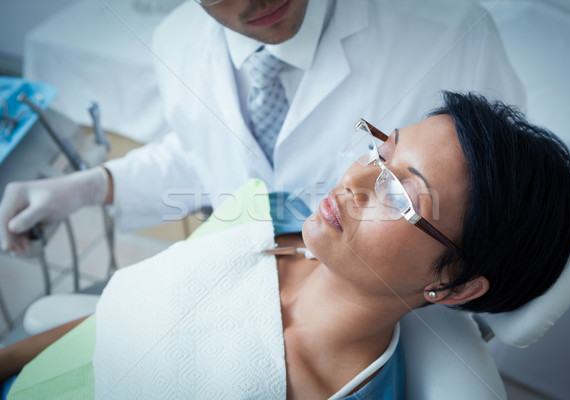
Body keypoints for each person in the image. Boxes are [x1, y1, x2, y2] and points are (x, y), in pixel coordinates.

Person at [0, 92, 570, 399]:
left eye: (401, 195)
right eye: (380, 152)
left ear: (454, 285)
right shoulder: (271, 211)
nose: (354, 181)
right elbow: (115, 319)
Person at [0, 0, 534, 255]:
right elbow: (208, 157)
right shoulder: (175, 40)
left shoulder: (449, 31)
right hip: (249, 287)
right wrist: (92, 185)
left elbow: (511, 200)